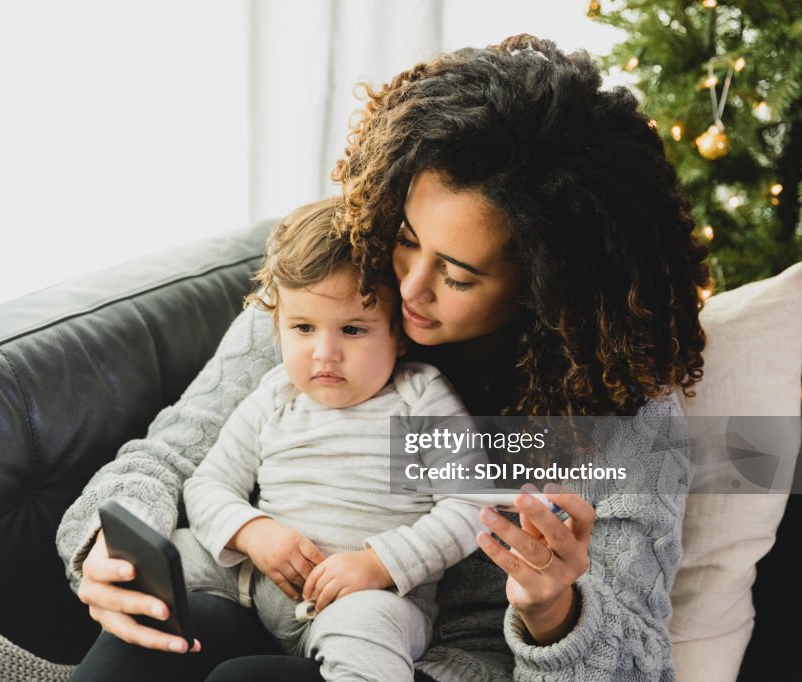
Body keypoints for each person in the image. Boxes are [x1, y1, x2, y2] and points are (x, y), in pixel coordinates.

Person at [61, 34, 708, 681]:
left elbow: (637, 664)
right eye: (405, 240)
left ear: (547, 288)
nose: (407, 289)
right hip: (264, 603)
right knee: (146, 640)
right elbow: (170, 457)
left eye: (457, 276)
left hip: (432, 661)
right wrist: (111, 556)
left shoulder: (623, 409)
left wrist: (554, 609)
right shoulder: (333, 297)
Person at [170, 197, 485, 682]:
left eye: (354, 330)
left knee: (365, 635)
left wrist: (381, 563)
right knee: (168, 556)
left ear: (399, 335)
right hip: (256, 581)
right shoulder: (275, 395)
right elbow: (208, 484)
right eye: (302, 328)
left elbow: (467, 506)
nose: (325, 354)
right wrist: (252, 532)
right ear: (277, 327)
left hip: (369, 598)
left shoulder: (418, 398)